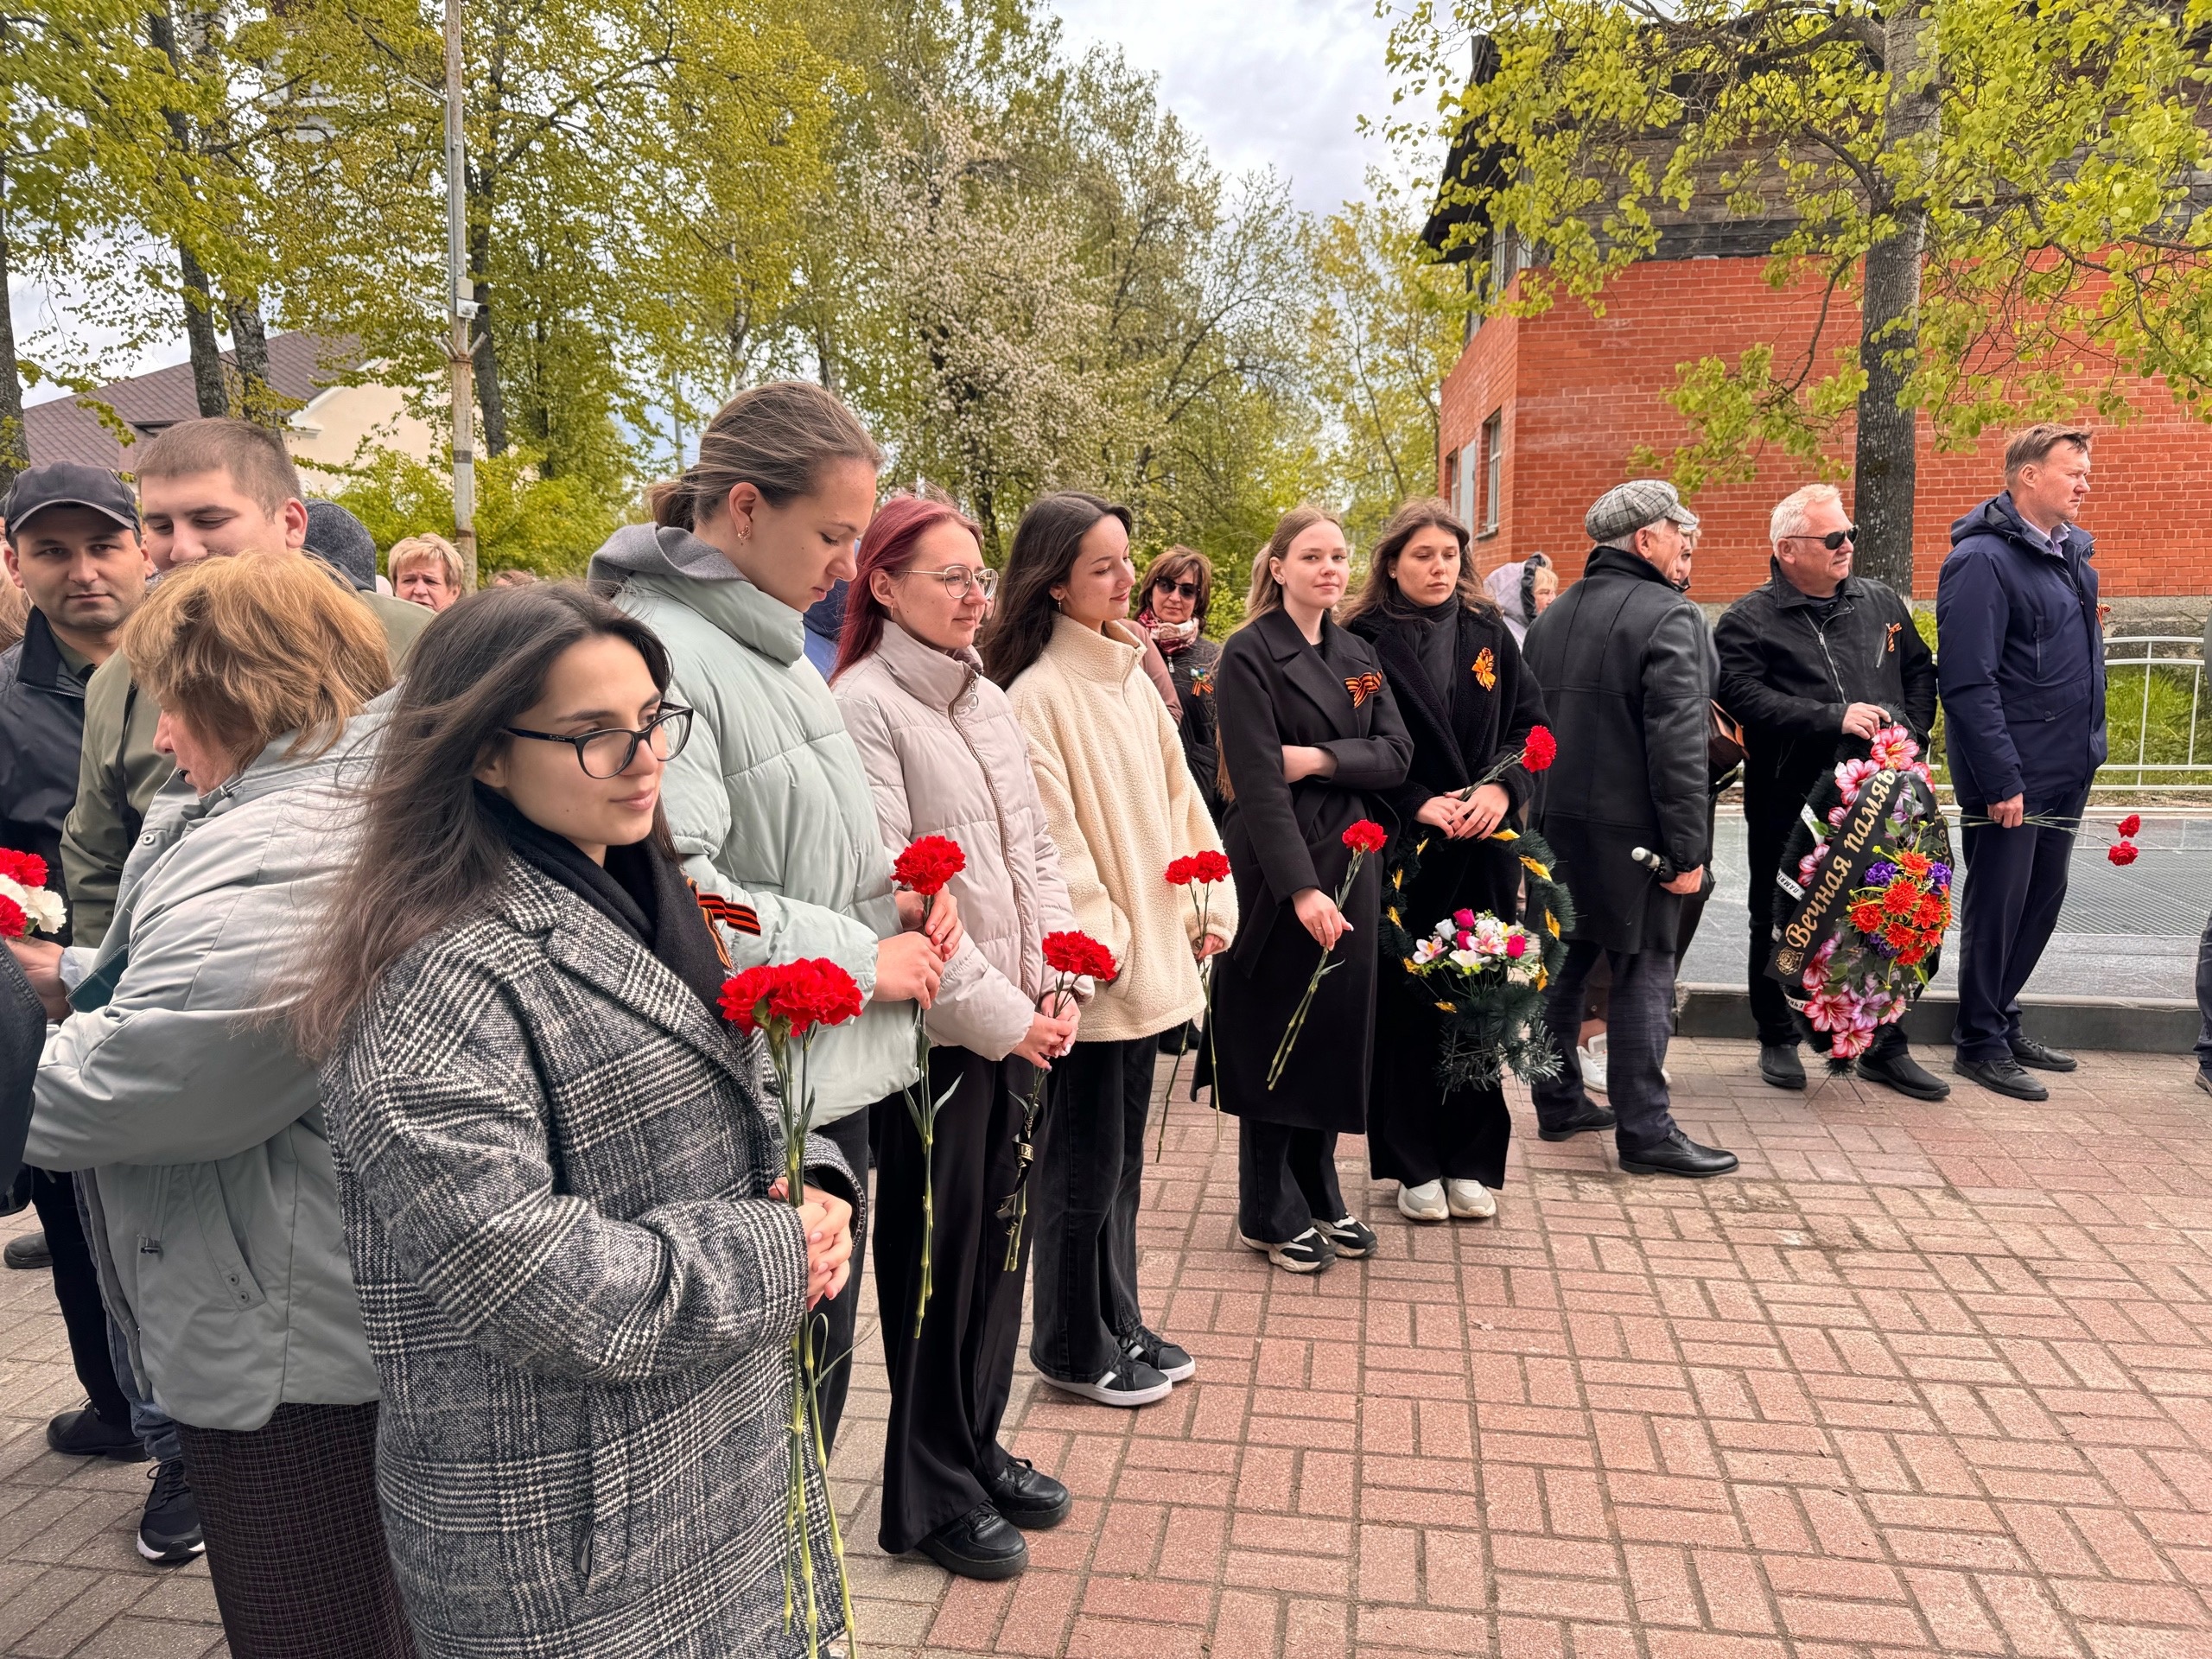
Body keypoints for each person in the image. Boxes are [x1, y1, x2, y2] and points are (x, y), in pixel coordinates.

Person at [302, 582, 858, 1659]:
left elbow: (747, 1094)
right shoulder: (441, 975)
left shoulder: (646, 892)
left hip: (702, 1464)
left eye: (653, 719)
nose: (647, 757)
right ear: (484, 753)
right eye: (594, 735)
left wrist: (819, 1181)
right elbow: (522, 1277)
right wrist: (771, 1251)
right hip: (573, 1532)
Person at [16, 553, 411, 1656]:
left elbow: (162, 1077)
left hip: (292, 1339)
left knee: (314, 1620)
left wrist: (21, 1043)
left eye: (171, 702)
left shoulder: (297, 841)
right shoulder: (299, 806)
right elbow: (193, 994)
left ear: (235, 692)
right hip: (291, 1297)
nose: (157, 738)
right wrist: (66, 977)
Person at [588, 380, 953, 1447]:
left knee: (811, 1396)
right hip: (761, 1081)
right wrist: (861, 956)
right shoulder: (666, 652)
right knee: (781, 1415)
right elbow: (674, 886)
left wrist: (899, 890)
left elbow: (785, 837)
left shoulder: (765, 636)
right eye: (834, 535)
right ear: (743, 508)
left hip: (817, 1062)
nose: (850, 567)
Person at [832, 494, 1079, 1581]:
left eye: (981, 578)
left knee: (1000, 1250)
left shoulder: (981, 698)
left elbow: (1033, 852)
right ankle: (926, 1494)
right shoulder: (865, 706)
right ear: (883, 586)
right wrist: (1003, 1017)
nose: (976, 597)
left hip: (1023, 1020)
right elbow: (905, 895)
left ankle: (977, 1446)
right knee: (936, 1263)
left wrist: (1061, 975)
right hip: (944, 1038)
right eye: (952, 578)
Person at [982, 491, 1232, 1403]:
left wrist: (1207, 902)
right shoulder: (1036, 698)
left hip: (1153, 961)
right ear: (1053, 584)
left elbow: (1181, 807)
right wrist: (1109, 944)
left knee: (1121, 1167)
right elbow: (1052, 845)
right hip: (1096, 982)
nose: (1129, 581)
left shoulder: (1127, 676)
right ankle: (1068, 1342)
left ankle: (1116, 1315)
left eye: (1127, 561)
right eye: (1104, 566)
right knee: (1080, 1170)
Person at [0, 464, 188, 1555]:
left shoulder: (194, 664)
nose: (83, 572)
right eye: (53, 551)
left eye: (103, 545)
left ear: (138, 551)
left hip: (174, 981)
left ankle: (186, 1443)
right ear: (17, 562)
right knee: (78, 1223)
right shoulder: (6, 699)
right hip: (49, 998)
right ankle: (120, 1407)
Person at [62, 417, 432, 947]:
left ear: (291, 523)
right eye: (162, 526)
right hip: (185, 976)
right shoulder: (120, 679)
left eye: (208, 519)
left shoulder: (420, 643)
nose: (183, 549)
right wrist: (104, 981)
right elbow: (98, 858)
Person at [1208, 505, 1410, 1270]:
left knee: (1331, 1031)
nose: (1330, 569)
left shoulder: (1357, 652)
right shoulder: (1249, 653)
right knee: (1276, 1030)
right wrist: (1299, 890)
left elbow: (1396, 752)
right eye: (1313, 556)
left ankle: (1319, 1187)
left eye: (1338, 557)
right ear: (1280, 567)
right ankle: (1266, 1205)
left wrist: (1321, 758)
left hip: (1352, 861)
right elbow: (1259, 783)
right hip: (1277, 867)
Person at [1521, 480, 1738, 1179]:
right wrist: (1687, 849)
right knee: (1647, 967)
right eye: (1680, 534)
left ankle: (1556, 1102)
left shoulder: (1552, 619)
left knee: (1569, 964)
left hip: (1560, 828)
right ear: (1646, 540)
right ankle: (1646, 1130)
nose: (1687, 546)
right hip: (1638, 835)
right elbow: (1679, 744)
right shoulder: (1671, 617)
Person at [1343, 499, 1544, 1224]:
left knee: (1482, 996)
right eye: (1422, 555)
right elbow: (1355, 733)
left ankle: (1472, 1158)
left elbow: (1534, 728)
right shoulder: (1361, 644)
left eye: (1449, 555)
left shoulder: (1491, 635)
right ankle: (1411, 1162)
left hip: (1485, 848)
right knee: (1407, 1004)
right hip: (1409, 852)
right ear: (1392, 562)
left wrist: (1502, 787)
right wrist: (1416, 798)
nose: (1438, 567)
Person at [1716, 483, 1943, 1098]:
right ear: (1789, 550)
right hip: (1791, 793)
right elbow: (1740, 697)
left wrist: (1912, 731)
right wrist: (1832, 717)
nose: (1847, 546)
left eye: (1850, 534)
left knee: (1885, 906)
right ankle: (1777, 1035)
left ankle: (1883, 1043)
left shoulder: (1880, 602)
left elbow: (1920, 669)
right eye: (1833, 537)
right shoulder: (1746, 620)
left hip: (1882, 792)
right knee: (1778, 910)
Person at [1938, 423, 2106, 1101]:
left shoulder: (2072, 555)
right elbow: (1970, 683)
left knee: (2042, 901)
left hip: (2067, 766)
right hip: (2013, 776)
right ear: (2029, 475)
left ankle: (2002, 1018)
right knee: (1999, 906)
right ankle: (1977, 1041)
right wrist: (2002, 778)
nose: (2085, 481)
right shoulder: (1981, 561)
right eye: (2074, 470)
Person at [1136, 546, 1224, 823]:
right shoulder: (1124, 646)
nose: (1175, 597)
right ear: (1150, 589)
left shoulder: (1215, 658)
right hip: (1142, 793)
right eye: (1166, 585)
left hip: (1200, 798)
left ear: (1198, 599)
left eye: (1187, 590)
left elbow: (1225, 735)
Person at [1484, 553, 1554, 645]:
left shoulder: (1541, 630)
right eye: (1544, 593)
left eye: (1553, 592)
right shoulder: (1502, 636)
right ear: (1520, 596)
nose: (1552, 600)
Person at [387, 532, 467, 611]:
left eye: (430, 581)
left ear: (454, 592)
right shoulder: (380, 622)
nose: (419, 591)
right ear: (395, 588)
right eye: (409, 580)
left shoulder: (470, 623)